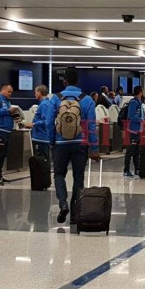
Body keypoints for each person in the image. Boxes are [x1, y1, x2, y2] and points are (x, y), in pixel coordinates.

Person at [45, 68, 100, 224]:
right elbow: (91, 126)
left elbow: (49, 122)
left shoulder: (55, 98)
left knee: (59, 174)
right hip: (80, 144)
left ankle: (63, 203)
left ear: (65, 82)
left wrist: (51, 141)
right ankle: (75, 212)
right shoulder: (87, 99)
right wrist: (94, 148)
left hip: (60, 144)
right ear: (78, 82)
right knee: (78, 177)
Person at [0, 83, 17, 186]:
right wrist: (7, 110)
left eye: (11, 92)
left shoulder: (8, 101)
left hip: (7, 131)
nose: (10, 94)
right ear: (3, 90)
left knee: (3, 154)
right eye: (9, 92)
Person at [123, 86, 145, 179]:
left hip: (138, 130)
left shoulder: (139, 103)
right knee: (130, 151)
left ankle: (137, 169)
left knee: (137, 152)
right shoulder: (133, 102)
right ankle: (126, 170)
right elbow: (131, 116)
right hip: (133, 130)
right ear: (140, 92)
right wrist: (140, 120)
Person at [25, 84, 51, 161]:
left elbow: (46, 121)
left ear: (39, 92)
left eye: (35, 92)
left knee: (42, 161)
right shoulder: (44, 104)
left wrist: (33, 124)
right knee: (40, 161)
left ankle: (44, 173)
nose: (35, 94)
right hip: (40, 137)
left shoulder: (44, 105)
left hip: (41, 137)